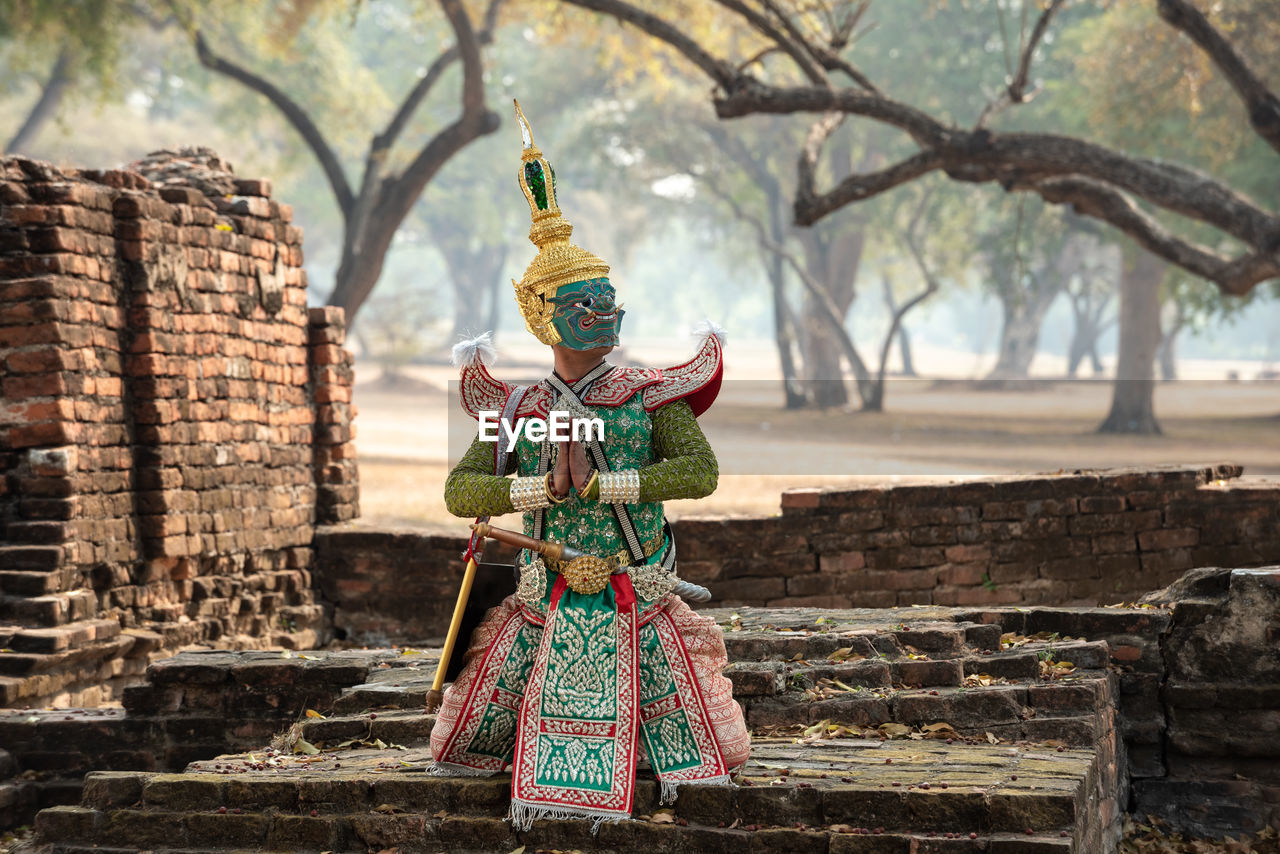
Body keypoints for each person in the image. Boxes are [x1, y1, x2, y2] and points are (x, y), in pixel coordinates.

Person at [428, 101, 750, 830]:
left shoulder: (647, 396)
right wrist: (536, 486)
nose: (604, 311)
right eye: (585, 301)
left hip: (637, 583)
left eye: (608, 299)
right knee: (483, 727)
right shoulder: (516, 409)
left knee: (678, 733)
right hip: (544, 587)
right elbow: (459, 492)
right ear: (543, 316)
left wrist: (611, 483)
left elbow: (700, 475)